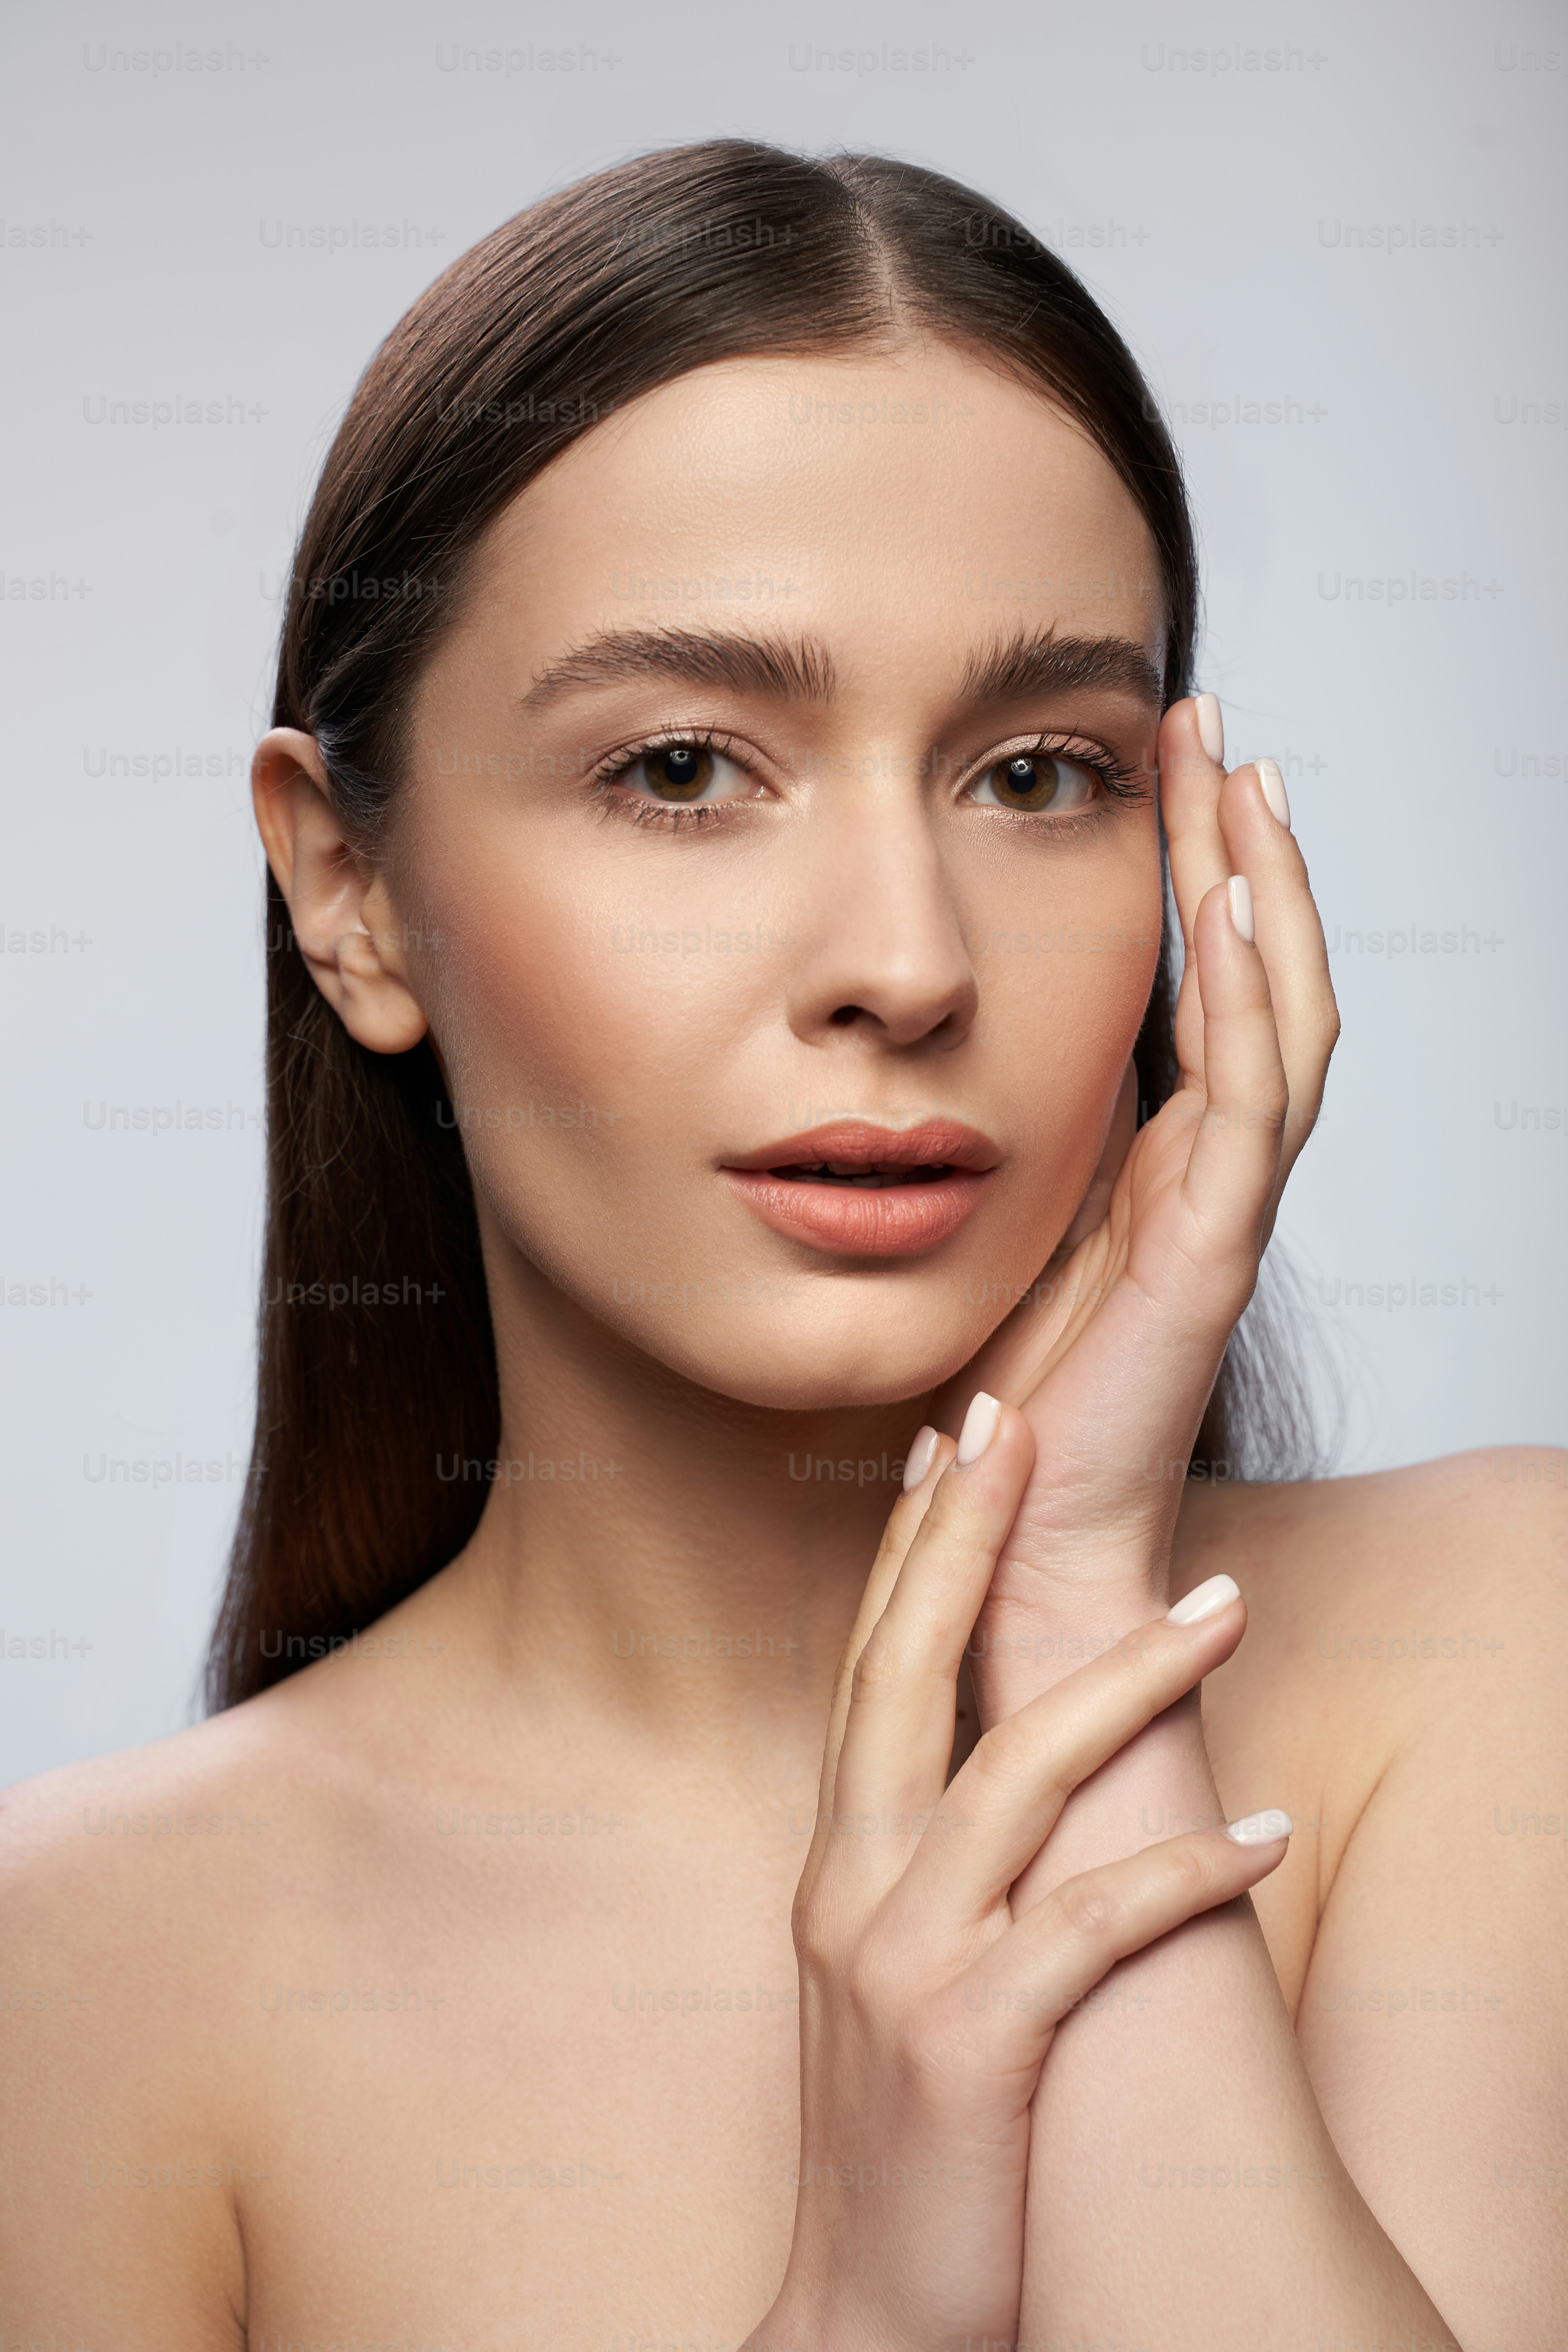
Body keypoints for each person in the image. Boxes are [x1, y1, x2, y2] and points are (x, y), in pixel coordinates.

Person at [2, 141, 1561, 2351]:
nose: (905, 965)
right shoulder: (86, 1971)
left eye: (1037, 775)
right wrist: (859, 2312)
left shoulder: (1502, 1647)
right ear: (350, 892)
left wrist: (1072, 1610)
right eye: (680, 771)